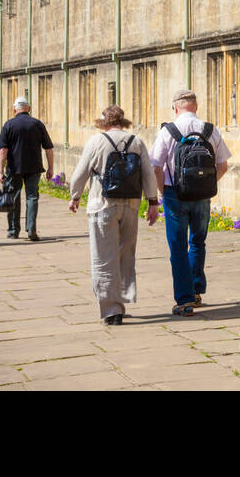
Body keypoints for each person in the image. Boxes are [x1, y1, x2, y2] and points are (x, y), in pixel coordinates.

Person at [67, 105, 160, 325]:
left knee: (103, 258)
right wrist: (153, 203)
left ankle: (111, 310)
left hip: (103, 204)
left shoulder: (96, 142)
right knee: (125, 255)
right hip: (131, 205)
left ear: (104, 123)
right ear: (122, 121)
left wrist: (75, 196)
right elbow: (148, 173)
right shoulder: (136, 141)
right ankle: (122, 299)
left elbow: (81, 172)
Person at [150, 89, 230, 317]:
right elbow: (223, 166)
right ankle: (196, 291)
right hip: (202, 197)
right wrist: (206, 185)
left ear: (175, 108)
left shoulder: (169, 131)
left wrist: (161, 191)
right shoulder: (210, 130)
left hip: (176, 195)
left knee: (178, 247)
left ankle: (184, 300)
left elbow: (155, 165)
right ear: (196, 106)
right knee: (197, 243)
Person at [0, 96, 54, 240]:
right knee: (32, 197)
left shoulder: (8, 125)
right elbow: (49, 149)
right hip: (34, 167)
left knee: (13, 197)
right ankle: (31, 228)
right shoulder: (37, 124)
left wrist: (0, 171)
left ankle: (13, 231)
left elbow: (3, 150)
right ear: (28, 108)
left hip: (14, 168)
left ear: (14, 109)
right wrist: (50, 168)